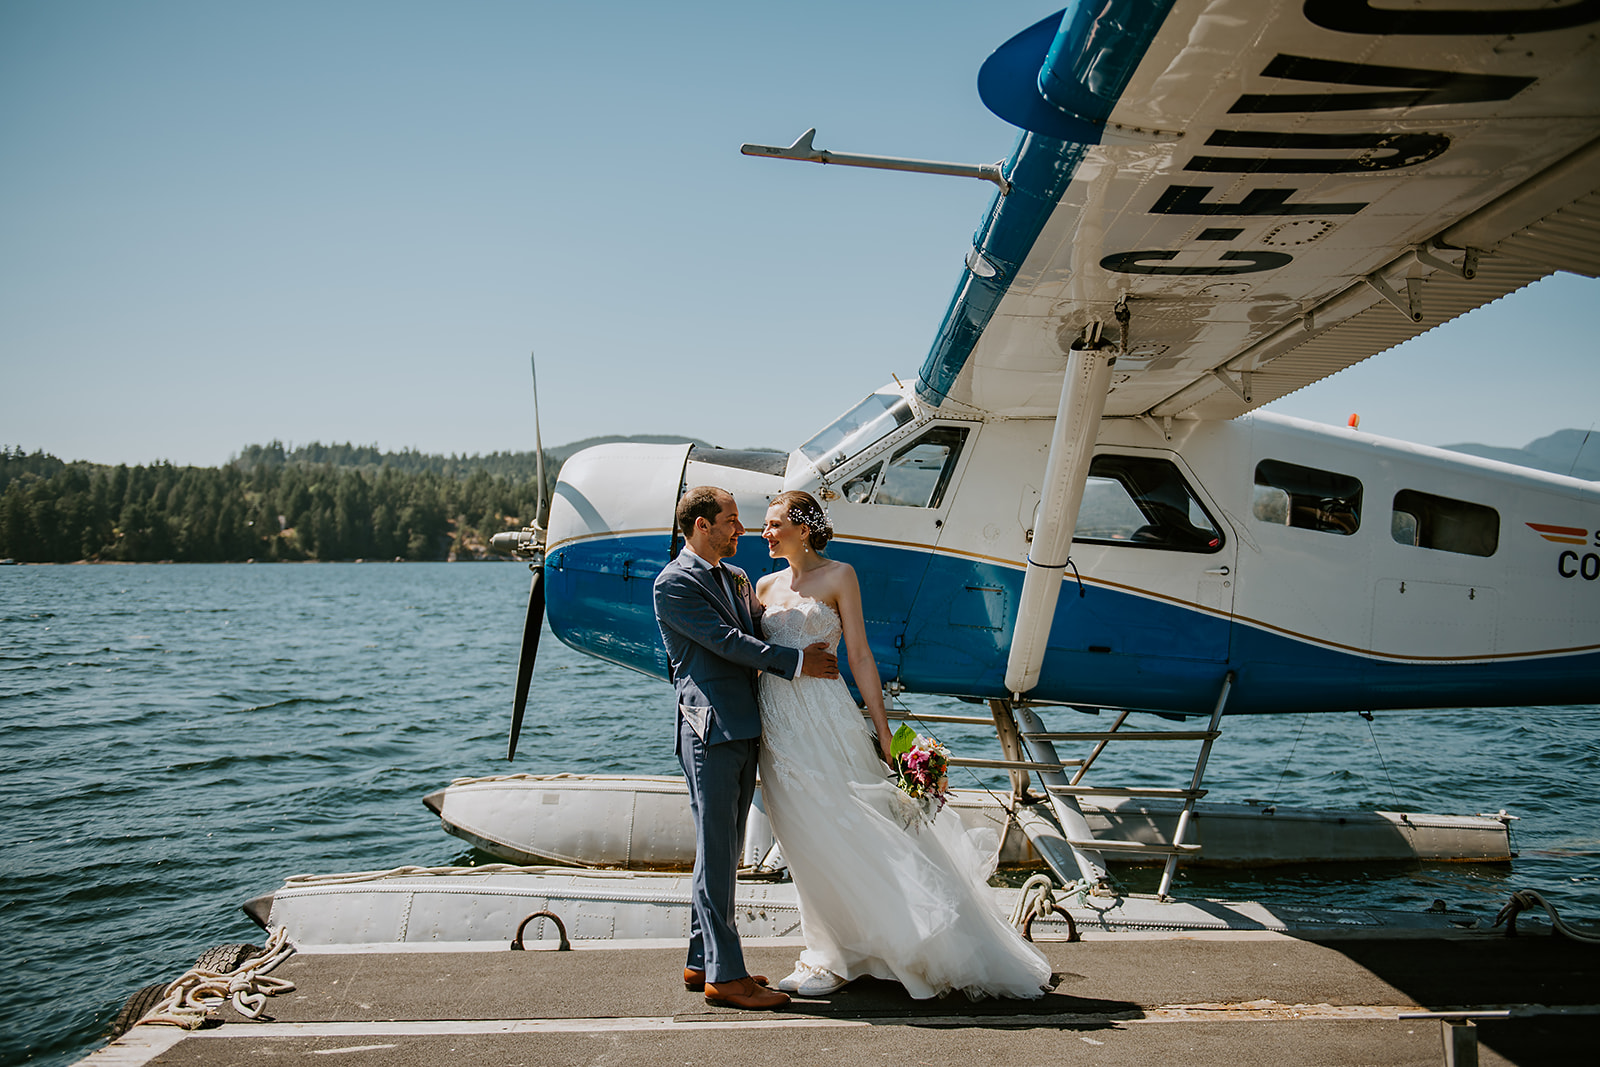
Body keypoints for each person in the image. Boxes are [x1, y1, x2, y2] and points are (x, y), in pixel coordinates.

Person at [754, 489, 1052, 1000]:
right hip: (777, 727)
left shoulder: (839, 575)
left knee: (851, 825)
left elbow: (861, 657)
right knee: (803, 837)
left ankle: (866, 949)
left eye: (774, 523)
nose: (765, 533)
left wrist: (885, 730)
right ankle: (832, 951)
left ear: (803, 528)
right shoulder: (761, 586)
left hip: (826, 718)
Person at [652, 485, 839, 1010]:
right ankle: (727, 977)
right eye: (732, 520)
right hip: (709, 730)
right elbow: (728, 644)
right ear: (702, 526)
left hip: (747, 724)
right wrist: (798, 663)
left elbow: (758, 628)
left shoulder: (735, 579)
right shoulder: (674, 583)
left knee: (723, 849)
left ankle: (700, 960)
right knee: (717, 852)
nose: (742, 530)